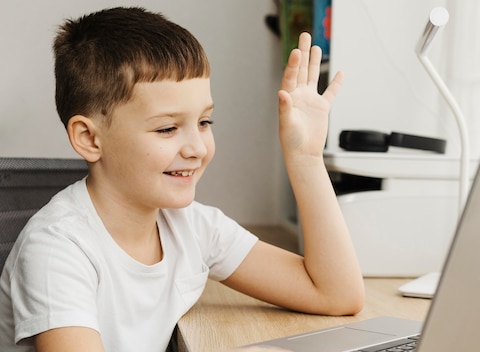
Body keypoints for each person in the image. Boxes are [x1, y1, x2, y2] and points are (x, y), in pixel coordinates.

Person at [0, 6, 364, 352]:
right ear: (90, 138)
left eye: (204, 122)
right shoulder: (56, 251)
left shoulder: (191, 227)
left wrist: (306, 158)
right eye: (168, 128)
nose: (197, 148)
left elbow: (335, 294)